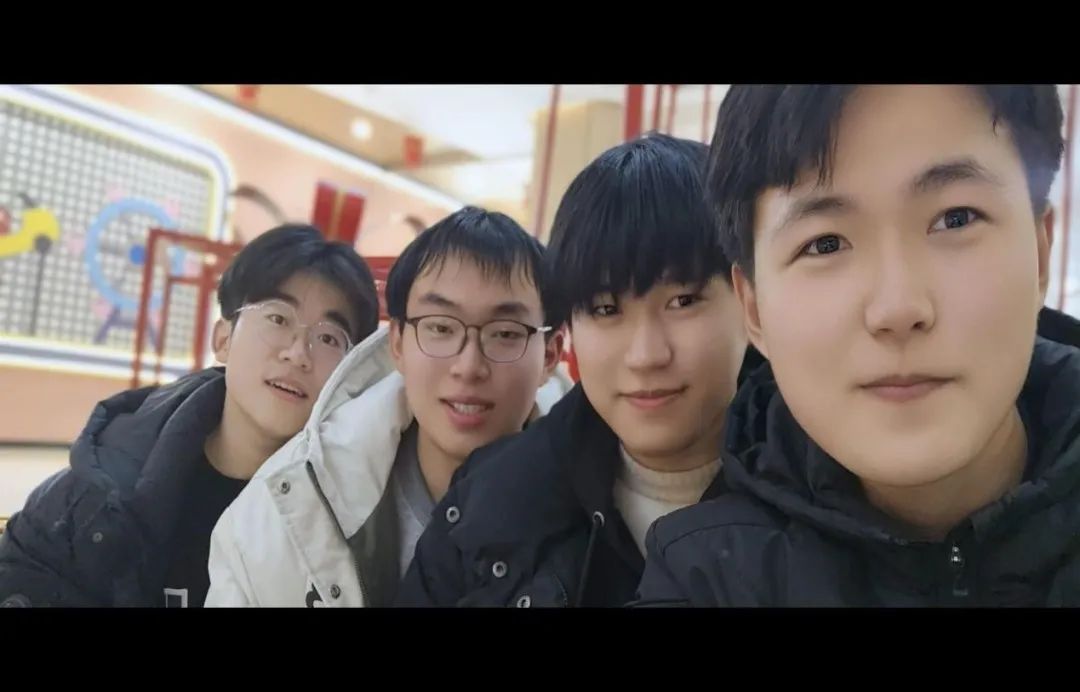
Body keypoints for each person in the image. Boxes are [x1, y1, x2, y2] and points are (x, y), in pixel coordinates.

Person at [635, 84, 1080, 606]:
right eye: (825, 244)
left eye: (956, 218)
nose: (897, 309)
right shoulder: (704, 579)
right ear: (753, 309)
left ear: (1040, 254)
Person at [396, 134, 757, 607]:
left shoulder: (832, 493)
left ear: (750, 300)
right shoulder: (485, 505)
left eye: (683, 301)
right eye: (606, 309)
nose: (645, 355)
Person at [205, 207, 571, 607]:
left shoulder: (601, 504)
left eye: (505, 333)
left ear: (550, 355)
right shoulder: (278, 516)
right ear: (397, 343)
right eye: (441, 328)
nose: (468, 366)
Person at [0, 224, 380, 607]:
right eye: (278, 318)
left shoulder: (361, 516)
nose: (298, 353)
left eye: (328, 338)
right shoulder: (106, 481)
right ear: (223, 340)